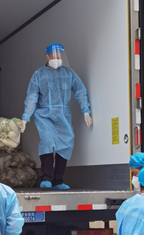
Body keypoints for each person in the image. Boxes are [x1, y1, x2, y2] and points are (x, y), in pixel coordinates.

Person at [20, 42, 92, 190]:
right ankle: (46, 178)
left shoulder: (68, 73)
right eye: (54, 57)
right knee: (47, 141)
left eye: (59, 56)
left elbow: (80, 91)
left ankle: (58, 181)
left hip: (63, 116)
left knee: (66, 143)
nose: (57, 59)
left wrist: (86, 111)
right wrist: (25, 117)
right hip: (44, 115)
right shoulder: (39, 75)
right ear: (47, 57)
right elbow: (32, 97)